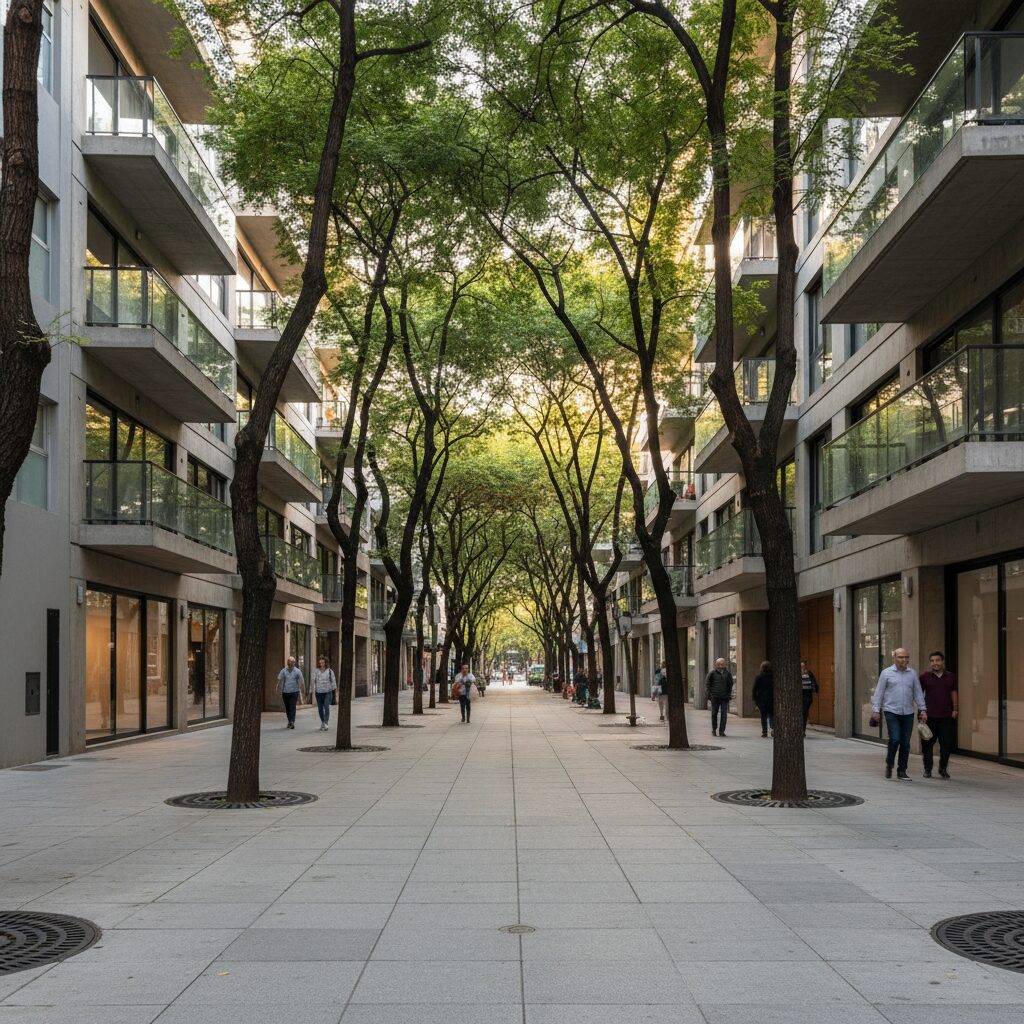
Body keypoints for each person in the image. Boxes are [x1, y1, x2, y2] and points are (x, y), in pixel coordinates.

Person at [871, 647, 927, 781]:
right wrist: (876, 710)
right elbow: (879, 692)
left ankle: (902, 770)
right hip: (891, 711)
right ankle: (889, 764)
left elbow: (918, 692)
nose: (904, 660)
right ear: (894, 658)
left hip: (908, 712)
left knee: (905, 743)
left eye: (906, 657)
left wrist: (922, 709)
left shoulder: (912, 674)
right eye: (901, 657)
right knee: (895, 739)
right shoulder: (886, 673)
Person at [918, 651, 957, 779]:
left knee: (946, 744)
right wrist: (921, 711)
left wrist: (955, 709)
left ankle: (943, 768)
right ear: (930, 662)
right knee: (927, 745)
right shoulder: (924, 677)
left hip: (946, 716)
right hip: (929, 716)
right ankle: (927, 769)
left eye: (938, 660)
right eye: (932, 660)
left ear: (942, 661)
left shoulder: (950, 676)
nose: (935, 663)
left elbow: (953, 693)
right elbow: (919, 695)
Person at [706, 657, 734, 737]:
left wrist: (728, 694)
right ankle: (714, 729)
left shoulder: (728, 674)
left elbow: (730, 684)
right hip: (715, 697)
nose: (720, 666)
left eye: (722, 664)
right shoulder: (712, 673)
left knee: (724, 715)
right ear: (716, 665)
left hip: (724, 698)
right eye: (719, 664)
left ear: (724, 665)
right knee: (714, 714)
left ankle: (722, 731)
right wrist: (710, 695)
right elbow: (707, 684)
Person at [277, 655, 305, 730]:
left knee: (292, 706)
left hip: (294, 692)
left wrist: (302, 690)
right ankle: (290, 721)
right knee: (287, 708)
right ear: (287, 662)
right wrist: (277, 688)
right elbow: (279, 680)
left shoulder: (297, 671)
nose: (290, 663)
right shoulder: (283, 670)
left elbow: (302, 681)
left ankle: (292, 722)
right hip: (285, 692)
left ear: (294, 663)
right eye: (289, 661)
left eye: (292, 662)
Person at [311, 656, 337, 731]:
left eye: (323, 662)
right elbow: (313, 681)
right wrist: (313, 690)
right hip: (318, 692)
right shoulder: (316, 671)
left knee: (326, 706)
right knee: (320, 709)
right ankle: (322, 722)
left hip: (328, 692)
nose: (321, 664)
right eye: (320, 662)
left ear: (325, 663)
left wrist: (335, 692)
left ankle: (326, 722)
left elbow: (334, 682)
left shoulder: (329, 671)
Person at [752, 661, 774, 738]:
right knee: (772, 715)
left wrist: (755, 699)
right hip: (772, 699)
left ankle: (764, 732)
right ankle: (773, 728)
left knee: (763, 716)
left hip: (762, 700)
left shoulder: (759, 677)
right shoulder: (773, 676)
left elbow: (755, 689)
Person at [800, 660, 819, 734]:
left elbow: (814, 683)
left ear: (805, 666)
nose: (802, 667)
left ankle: (803, 730)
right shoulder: (796, 674)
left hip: (807, 696)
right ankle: (802, 730)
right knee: (802, 713)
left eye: (803, 666)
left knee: (804, 712)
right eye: (800, 666)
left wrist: (814, 689)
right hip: (800, 696)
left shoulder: (809, 673)